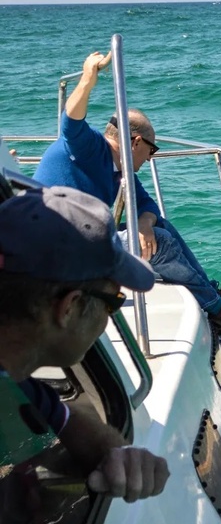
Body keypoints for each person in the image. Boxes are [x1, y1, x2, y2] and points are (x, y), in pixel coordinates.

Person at [32, 51, 221, 338]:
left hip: (81, 238)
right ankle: (219, 312)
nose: (151, 158)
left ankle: (216, 299)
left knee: (159, 227)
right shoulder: (92, 147)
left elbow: (148, 206)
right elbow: (70, 124)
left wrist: (144, 223)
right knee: (161, 244)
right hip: (57, 247)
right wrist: (88, 80)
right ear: (136, 142)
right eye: (151, 150)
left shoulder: (121, 172)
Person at [0, 186, 169, 502]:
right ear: (70, 307)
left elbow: (64, 418)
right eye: (112, 302)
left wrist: (115, 455)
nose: (107, 319)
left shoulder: (14, 379)